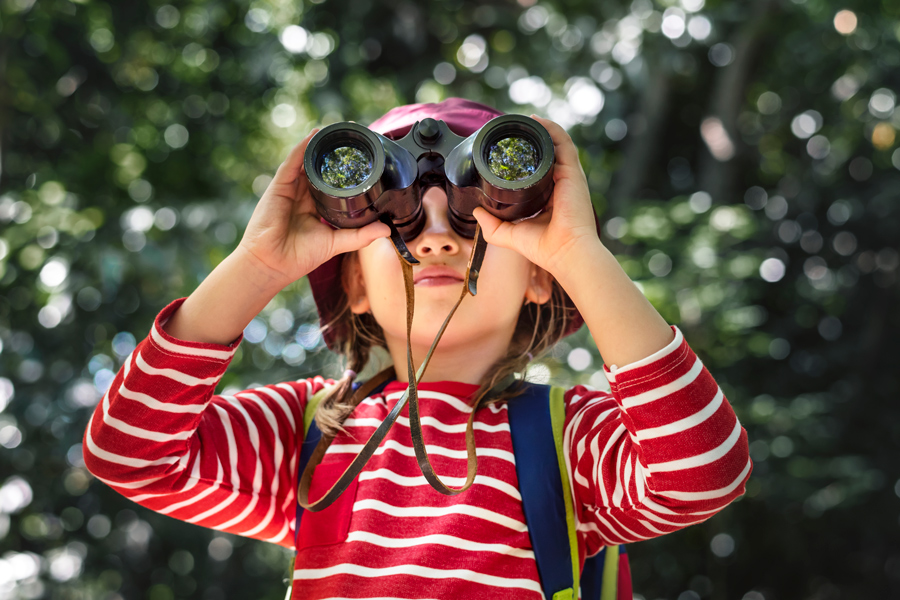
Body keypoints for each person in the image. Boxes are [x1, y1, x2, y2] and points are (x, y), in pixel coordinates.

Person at [83, 98, 752, 599]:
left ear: (540, 277)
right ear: (353, 281)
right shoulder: (311, 433)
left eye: (474, 218)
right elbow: (130, 453)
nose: (436, 239)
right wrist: (257, 264)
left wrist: (580, 253)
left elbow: (704, 472)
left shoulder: (568, 440)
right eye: (399, 219)